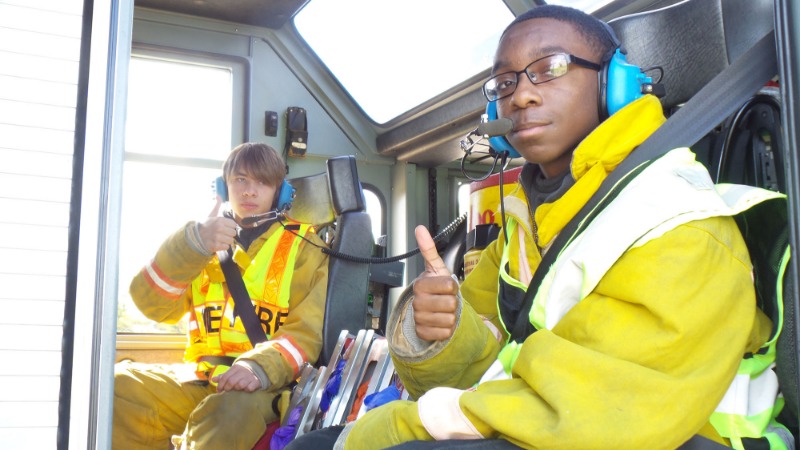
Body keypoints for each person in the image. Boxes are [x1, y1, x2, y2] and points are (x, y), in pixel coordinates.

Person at [286, 5, 791, 450]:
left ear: (613, 84)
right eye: (505, 83)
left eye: (550, 68)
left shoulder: (677, 220)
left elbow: (596, 410)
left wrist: (394, 428)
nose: (522, 95)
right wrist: (441, 330)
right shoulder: (527, 223)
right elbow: (491, 368)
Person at [113, 142, 330, 450]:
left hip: (263, 386)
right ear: (224, 187)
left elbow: (306, 333)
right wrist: (193, 243)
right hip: (202, 378)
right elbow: (153, 306)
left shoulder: (303, 247)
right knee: (117, 386)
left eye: (262, 182)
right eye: (240, 179)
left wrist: (257, 367)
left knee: (229, 412)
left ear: (280, 192)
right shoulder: (201, 242)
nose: (250, 191)